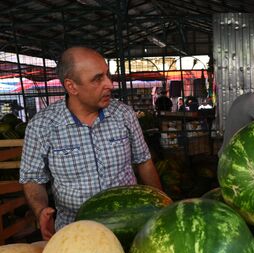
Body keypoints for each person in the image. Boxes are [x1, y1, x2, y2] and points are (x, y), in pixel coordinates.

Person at [19, 46, 162, 241]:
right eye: (97, 79)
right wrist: (40, 210)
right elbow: (32, 178)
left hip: (130, 227)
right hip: (74, 231)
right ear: (71, 86)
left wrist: (163, 206)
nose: (109, 84)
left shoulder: (124, 115)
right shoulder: (41, 126)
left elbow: (144, 162)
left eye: (107, 75)